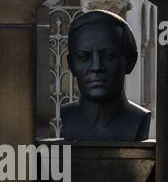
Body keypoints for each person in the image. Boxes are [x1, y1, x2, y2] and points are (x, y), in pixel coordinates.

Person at [58, 9, 151, 141]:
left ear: (130, 62)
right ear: (71, 65)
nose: (96, 67)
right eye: (83, 57)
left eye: (109, 56)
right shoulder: (67, 115)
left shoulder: (138, 118)